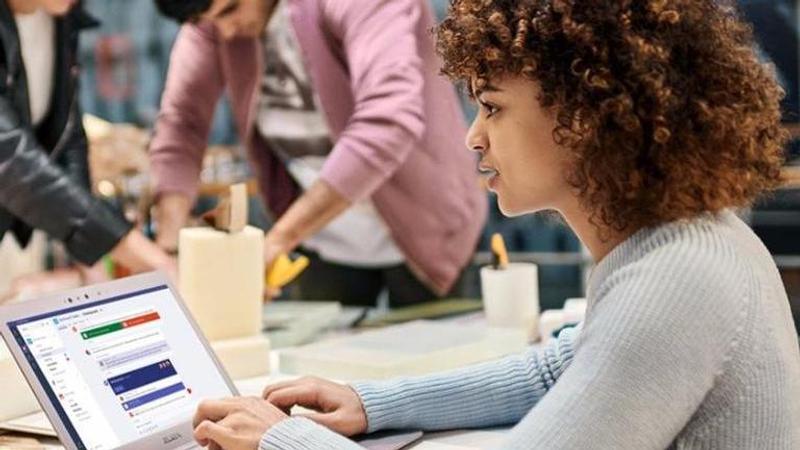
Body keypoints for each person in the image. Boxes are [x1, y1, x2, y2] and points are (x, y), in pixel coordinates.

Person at [189, 0, 800, 448]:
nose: (472, 136)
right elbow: (556, 368)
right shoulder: (680, 242)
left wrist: (282, 441)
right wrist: (371, 403)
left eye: (492, 108)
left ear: (585, 115)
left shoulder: (676, 278)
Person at [150, 0, 486, 307]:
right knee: (325, 366)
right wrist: (169, 251)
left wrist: (278, 241)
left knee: (436, 362)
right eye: (206, 21)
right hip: (319, 239)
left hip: (427, 226)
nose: (226, 30)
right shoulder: (214, 21)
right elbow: (182, 125)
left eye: (231, 10)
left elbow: (387, 123)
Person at [0, 0, 175, 296]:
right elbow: (11, 159)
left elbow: (67, 135)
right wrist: (136, 251)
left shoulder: (58, 16)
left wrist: (90, 263)